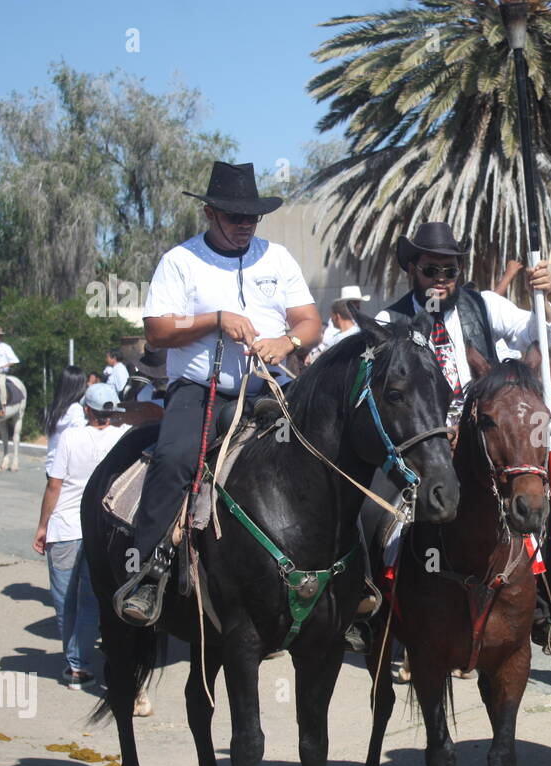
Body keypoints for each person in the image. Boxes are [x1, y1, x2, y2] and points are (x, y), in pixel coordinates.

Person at [120, 161, 322, 625]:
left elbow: (309, 322)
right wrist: (214, 320)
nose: (245, 225)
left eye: (251, 217)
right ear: (210, 214)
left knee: (329, 452)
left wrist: (287, 342)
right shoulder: (181, 261)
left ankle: (351, 578)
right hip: (200, 389)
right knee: (174, 459)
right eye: (234, 217)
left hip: (270, 386)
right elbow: (156, 332)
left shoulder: (277, 258)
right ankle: (147, 570)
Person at [372, 223, 551, 421]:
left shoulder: (484, 304)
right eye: (430, 270)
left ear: (460, 269)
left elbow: (542, 338)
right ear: (412, 270)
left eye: (450, 271)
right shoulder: (389, 322)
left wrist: (542, 300)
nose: (441, 279)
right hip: (424, 440)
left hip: (480, 435)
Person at [34, 384, 130, 686]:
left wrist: (42, 525)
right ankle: (80, 663)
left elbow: (54, 485)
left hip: (64, 525)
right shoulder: (121, 435)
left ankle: (74, 661)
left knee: (64, 600)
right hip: (100, 527)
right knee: (90, 601)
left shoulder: (70, 437)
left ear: (87, 409)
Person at [44, 365, 88, 474]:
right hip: (65, 469)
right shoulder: (75, 409)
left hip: (51, 466)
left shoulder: (55, 408)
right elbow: (80, 437)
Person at [308, 286, 365, 362]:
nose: (357, 306)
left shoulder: (362, 323)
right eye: (353, 303)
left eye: (358, 303)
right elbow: (327, 344)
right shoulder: (333, 326)